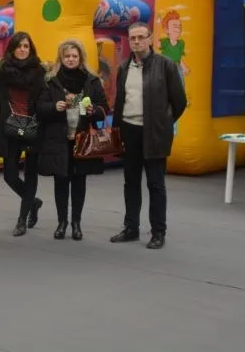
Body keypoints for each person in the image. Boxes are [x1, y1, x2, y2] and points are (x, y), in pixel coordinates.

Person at [110, 22, 187, 249]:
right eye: (132, 38)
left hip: (154, 132)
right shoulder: (124, 67)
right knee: (130, 182)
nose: (136, 42)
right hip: (129, 130)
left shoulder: (166, 66)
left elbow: (179, 101)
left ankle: (158, 232)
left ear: (150, 38)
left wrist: (163, 122)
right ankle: (131, 228)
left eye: (140, 37)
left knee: (156, 183)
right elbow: (121, 99)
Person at [37, 39, 109, 241]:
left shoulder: (92, 81)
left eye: (74, 56)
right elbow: (39, 108)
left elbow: (105, 109)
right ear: (61, 58)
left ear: (80, 58)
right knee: (60, 180)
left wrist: (93, 110)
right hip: (58, 139)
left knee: (79, 181)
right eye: (67, 56)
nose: (70, 59)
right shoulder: (50, 80)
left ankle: (76, 223)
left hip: (82, 138)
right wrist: (54, 107)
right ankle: (62, 222)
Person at [0, 31, 45, 237]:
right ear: (12, 48)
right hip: (10, 126)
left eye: (26, 46)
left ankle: (22, 219)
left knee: (31, 173)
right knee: (10, 175)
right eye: (19, 46)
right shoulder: (1, 70)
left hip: (33, 126)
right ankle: (33, 202)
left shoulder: (40, 71)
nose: (23, 49)